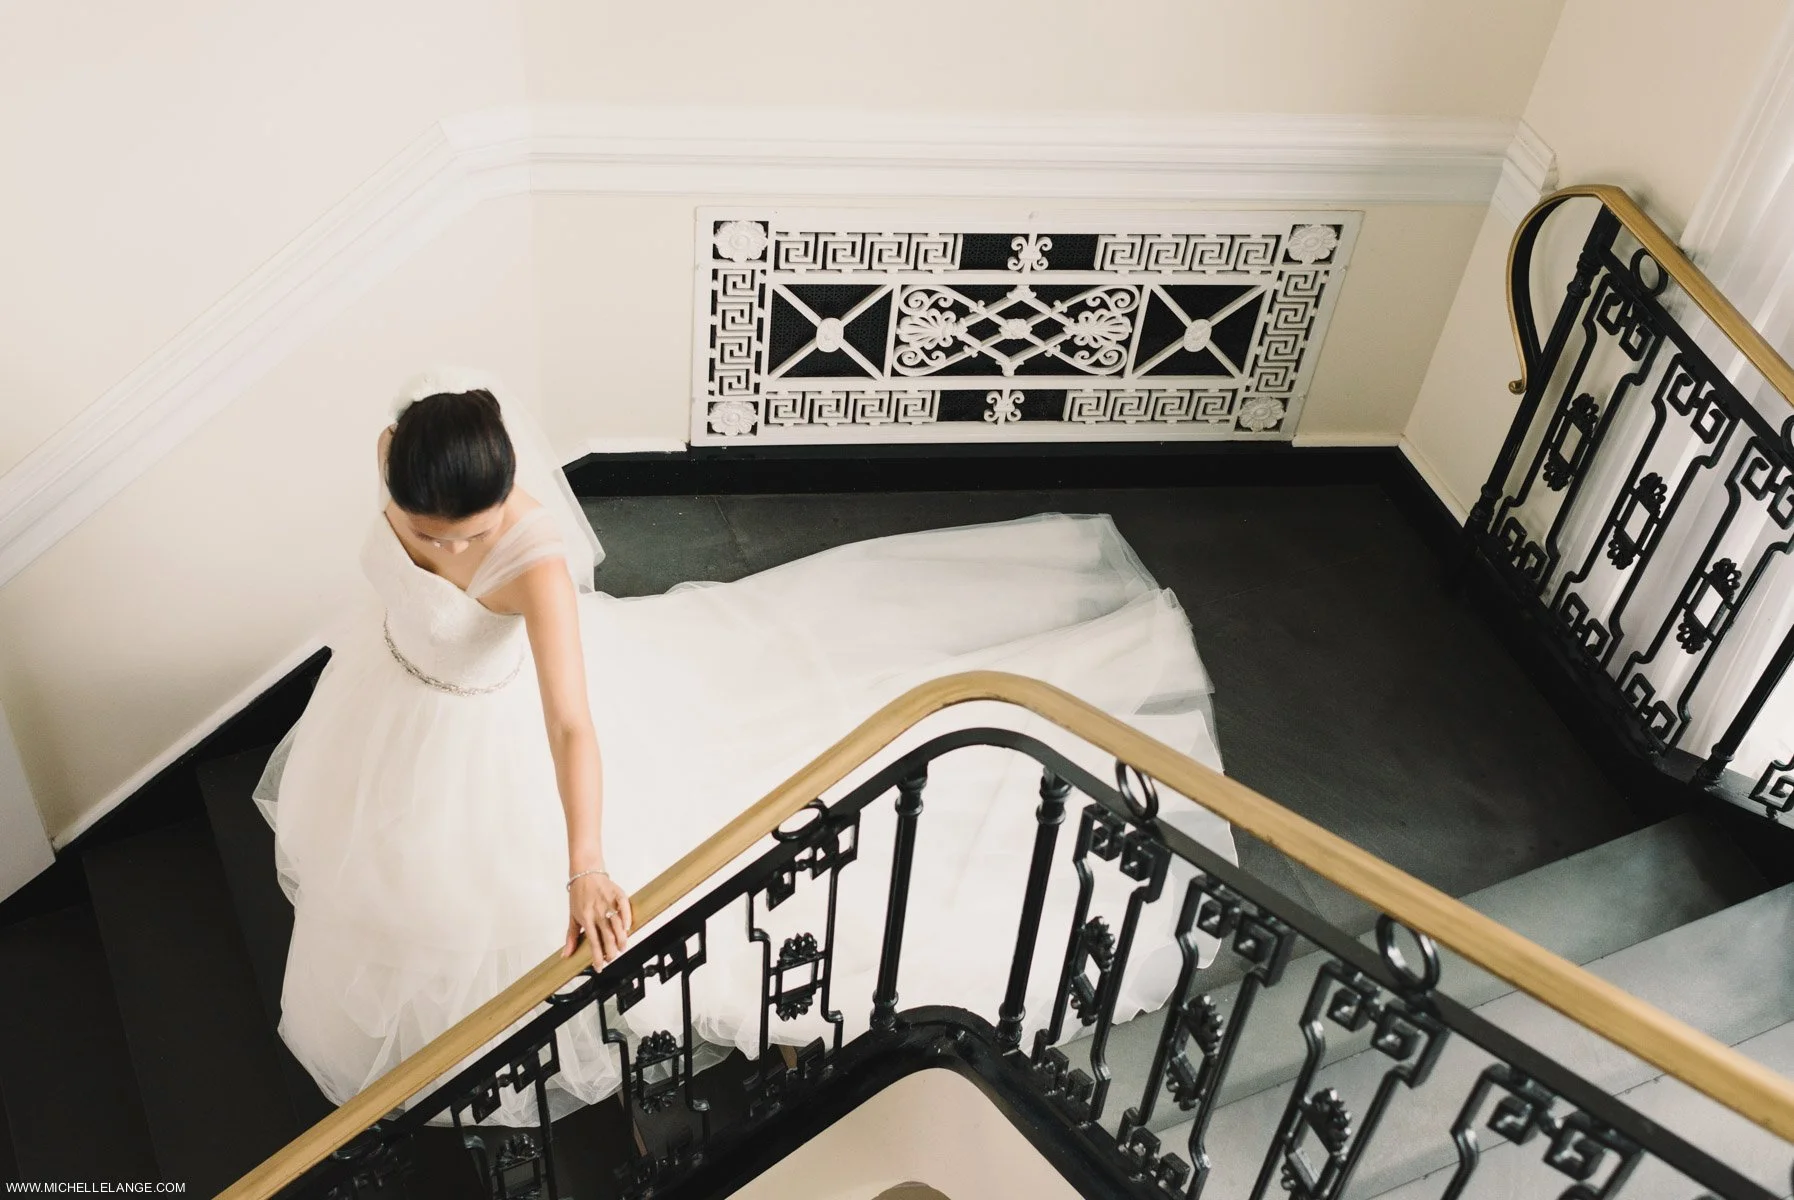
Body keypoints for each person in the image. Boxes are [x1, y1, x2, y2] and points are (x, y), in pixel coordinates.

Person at [254, 368, 1237, 1127]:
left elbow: (569, 723)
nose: (450, 554)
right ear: (393, 465)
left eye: (469, 535)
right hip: (391, 706)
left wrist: (587, 863)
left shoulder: (534, 564)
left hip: (503, 739)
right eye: (429, 533)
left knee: (495, 893)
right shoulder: (398, 454)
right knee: (382, 857)